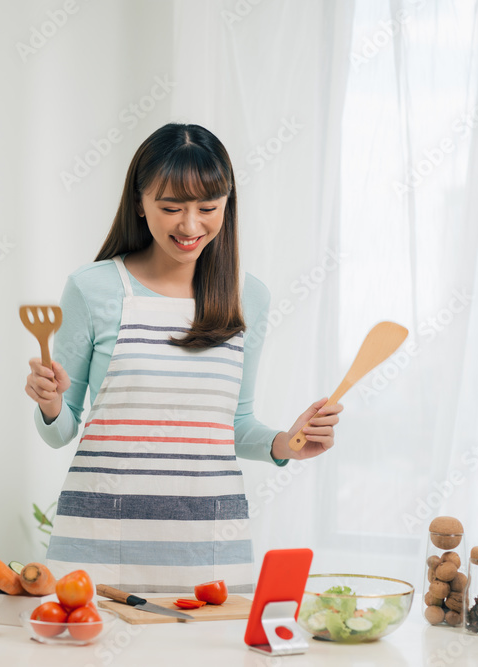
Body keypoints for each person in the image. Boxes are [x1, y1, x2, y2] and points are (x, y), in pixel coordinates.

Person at [25, 123, 341, 593]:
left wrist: (285, 442)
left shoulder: (247, 297)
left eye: (207, 208)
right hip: (99, 543)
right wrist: (50, 404)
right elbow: (64, 427)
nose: (190, 226)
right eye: (171, 207)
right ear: (140, 202)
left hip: (206, 546)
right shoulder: (93, 289)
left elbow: (234, 426)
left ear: (226, 205)